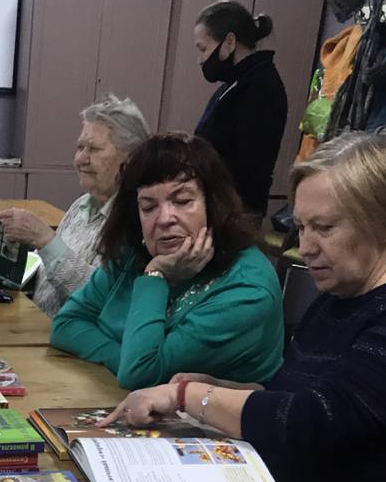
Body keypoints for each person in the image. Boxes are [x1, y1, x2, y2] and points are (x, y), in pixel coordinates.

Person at [101, 130, 386, 482]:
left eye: (324, 227)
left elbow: (313, 423)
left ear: (384, 221)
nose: (304, 246)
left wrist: (188, 395)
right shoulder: (343, 296)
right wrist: (225, 389)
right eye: (302, 227)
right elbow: (300, 396)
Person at [49, 133, 283, 390]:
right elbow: (66, 324)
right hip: (114, 398)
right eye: (148, 207)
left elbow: (139, 373)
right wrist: (121, 357)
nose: (164, 219)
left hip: (205, 415)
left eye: (182, 201)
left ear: (213, 205)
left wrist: (155, 275)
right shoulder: (133, 253)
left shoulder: (247, 288)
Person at [0, 96, 149, 317]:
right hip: (36, 322)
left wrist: (45, 239)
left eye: (93, 149)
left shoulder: (136, 220)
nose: (80, 159)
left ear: (131, 159)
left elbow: (102, 299)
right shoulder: (81, 205)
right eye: (80, 147)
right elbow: (43, 273)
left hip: (69, 336)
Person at [193, 0, 287, 217]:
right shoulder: (235, 83)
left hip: (234, 212)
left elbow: (245, 168)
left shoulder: (259, 88)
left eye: (203, 49)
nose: (200, 59)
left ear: (230, 41)